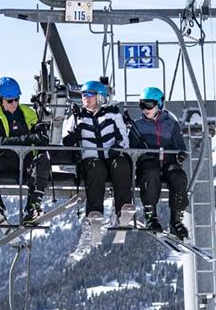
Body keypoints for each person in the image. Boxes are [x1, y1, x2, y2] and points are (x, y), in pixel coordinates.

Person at [0, 77, 50, 225]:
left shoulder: (29, 113)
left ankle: (33, 206)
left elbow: (41, 139)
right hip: (4, 160)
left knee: (43, 159)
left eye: (16, 99)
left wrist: (41, 132)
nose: (14, 104)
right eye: (9, 101)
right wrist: (27, 139)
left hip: (26, 162)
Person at [62, 80, 132, 220]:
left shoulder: (112, 115)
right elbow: (65, 142)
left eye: (90, 94)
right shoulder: (76, 117)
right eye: (83, 95)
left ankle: (123, 210)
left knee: (121, 164)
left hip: (111, 157)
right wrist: (73, 136)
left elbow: (124, 137)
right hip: (90, 161)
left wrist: (118, 147)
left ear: (100, 96)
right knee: (96, 168)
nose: (85, 98)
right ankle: (95, 214)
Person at [128, 86, 189, 239]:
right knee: (151, 172)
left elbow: (181, 146)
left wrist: (181, 155)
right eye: (142, 105)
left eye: (148, 105)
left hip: (168, 163)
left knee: (179, 177)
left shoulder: (171, 125)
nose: (145, 109)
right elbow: (131, 148)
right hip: (148, 164)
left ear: (159, 104)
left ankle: (176, 221)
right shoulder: (137, 126)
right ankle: (150, 216)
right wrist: (138, 155)